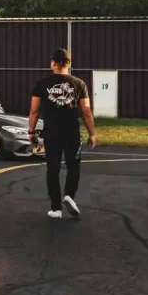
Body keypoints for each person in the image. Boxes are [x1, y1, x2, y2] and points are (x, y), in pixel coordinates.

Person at [28, 48, 96, 219]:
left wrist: (31, 132)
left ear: (53, 63)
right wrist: (92, 134)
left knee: (53, 169)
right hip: (72, 131)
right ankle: (69, 195)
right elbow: (86, 111)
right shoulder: (79, 84)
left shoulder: (42, 84)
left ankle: (56, 209)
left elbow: (34, 111)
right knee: (74, 167)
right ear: (69, 64)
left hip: (51, 132)